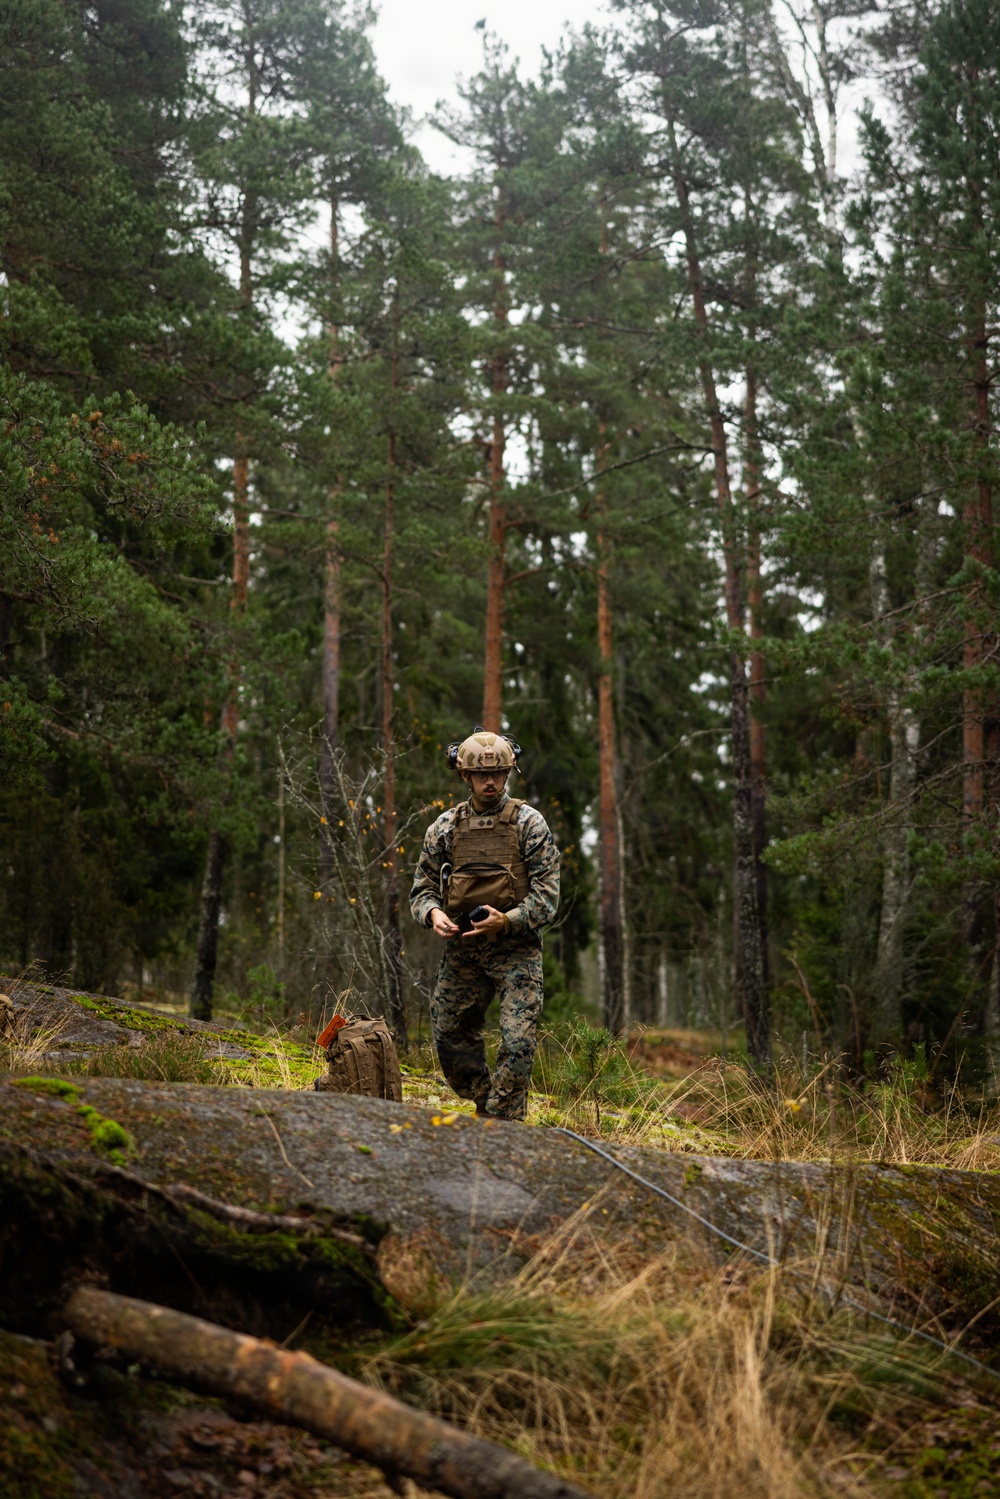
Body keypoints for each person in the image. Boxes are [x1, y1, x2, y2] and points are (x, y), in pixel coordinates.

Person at [409, 729, 560, 1121]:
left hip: (517, 949)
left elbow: (547, 897)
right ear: (465, 776)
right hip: (464, 948)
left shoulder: (529, 824)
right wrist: (433, 914)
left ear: (509, 773)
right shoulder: (445, 828)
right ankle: (484, 1101)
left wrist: (507, 921)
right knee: (449, 1034)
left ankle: (502, 1121)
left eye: (498, 774)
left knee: (518, 1041)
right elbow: (421, 889)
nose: (490, 782)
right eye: (480, 775)